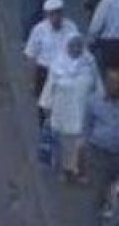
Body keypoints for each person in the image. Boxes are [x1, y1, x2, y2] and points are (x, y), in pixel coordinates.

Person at [39, 34, 98, 182]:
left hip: (82, 112)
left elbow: (98, 86)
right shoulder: (58, 64)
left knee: (80, 145)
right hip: (62, 113)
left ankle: (80, 172)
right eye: (73, 45)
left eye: (79, 45)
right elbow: (49, 88)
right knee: (64, 146)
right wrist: (46, 109)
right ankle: (65, 172)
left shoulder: (89, 62)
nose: (76, 49)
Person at [27, 0, 80, 111]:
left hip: (65, 72)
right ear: (47, 15)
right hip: (45, 72)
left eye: (58, 13)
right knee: (44, 105)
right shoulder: (39, 30)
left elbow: (78, 50)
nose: (56, 18)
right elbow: (31, 55)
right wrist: (32, 81)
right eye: (52, 14)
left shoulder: (71, 27)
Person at [84, 70, 119, 222]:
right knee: (97, 193)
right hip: (99, 155)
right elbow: (87, 126)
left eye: (117, 84)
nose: (113, 87)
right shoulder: (93, 101)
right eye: (110, 83)